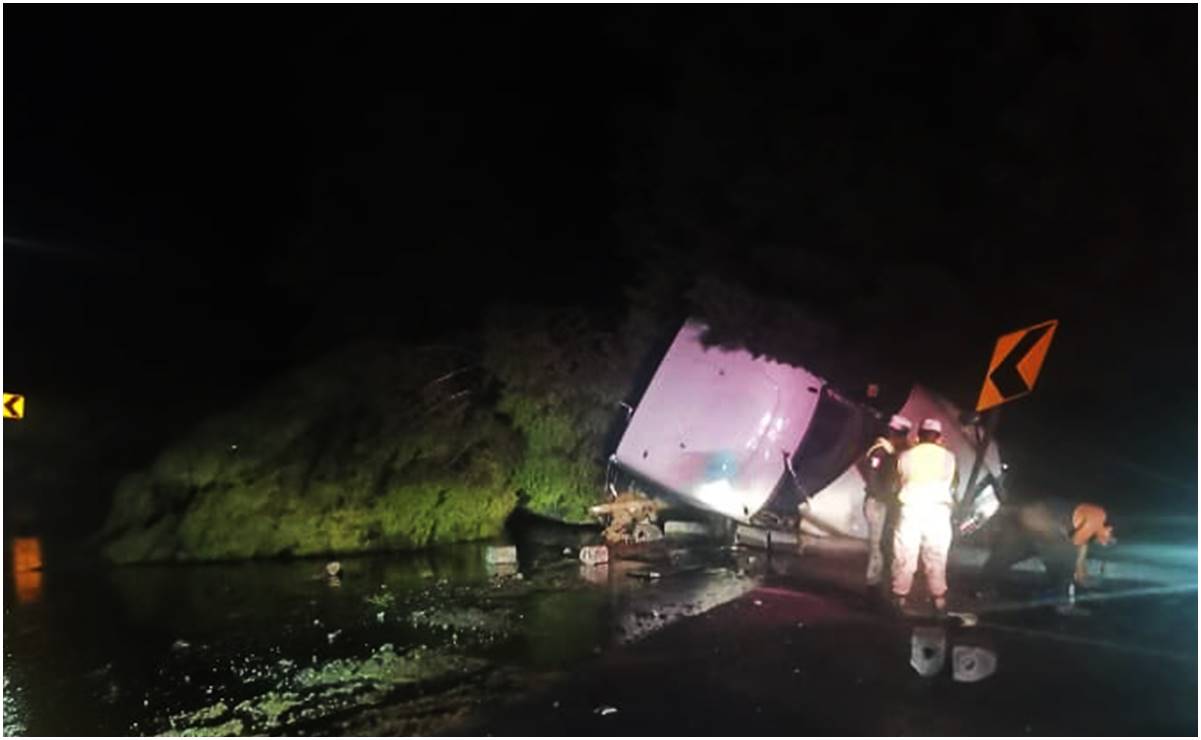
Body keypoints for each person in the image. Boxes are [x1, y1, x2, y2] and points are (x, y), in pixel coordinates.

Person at [980, 498, 1115, 599]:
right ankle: (1059, 599)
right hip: (1039, 520)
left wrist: (1081, 574)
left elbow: (1082, 545)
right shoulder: (1097, 516)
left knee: (1005, 554)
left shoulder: (1094, 521)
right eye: (1109, 539)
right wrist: (1079, 574)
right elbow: (1076, 545)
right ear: (1109, 528)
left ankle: (983, 589)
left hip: (1027, 518)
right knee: (1064, 554)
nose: (1106, 543)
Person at [891, 418, 958, 614]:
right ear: (938, 437)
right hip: (937, 510)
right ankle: (938, 598)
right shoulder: (949, 457)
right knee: (936, 555)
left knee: (905, 553)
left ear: (919, 435)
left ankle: (900, 596)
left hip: (911, 508)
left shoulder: (906, 455)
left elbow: (901, 477)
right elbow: (951, 480)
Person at [859, 414, 912, 591]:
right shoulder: (880, 450)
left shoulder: (892, 451)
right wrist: (884, 497)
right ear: (893, 433)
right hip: (877, 503)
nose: (904, 439)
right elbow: (872, 477)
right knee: (876, 544)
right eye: (902, 435)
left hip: (884, 502)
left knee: (883, 543)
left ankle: (878, 580)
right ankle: (872, 583)